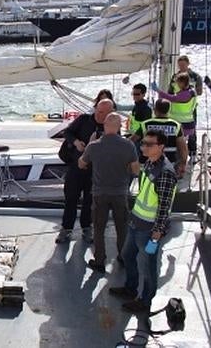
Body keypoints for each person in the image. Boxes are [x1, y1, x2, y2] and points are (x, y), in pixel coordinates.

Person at [109, 129, 178, 313]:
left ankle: (145, 301)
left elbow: (164, 206)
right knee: (127, 255)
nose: (144, 147)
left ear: (161, 147)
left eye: (149, 144)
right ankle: (130, 288)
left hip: (149, 230)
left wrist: (157, 231)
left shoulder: (165, 173)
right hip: (136, 223)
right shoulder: (149, 163)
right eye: (143, 143)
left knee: (148, 266)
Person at [79, 111, 140, 273]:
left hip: (100, 193)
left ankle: (99, 260)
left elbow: (81, 164)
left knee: (99, 228)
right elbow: (136, 170)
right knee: (122, 227)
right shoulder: (128, 145)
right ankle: (123, 256)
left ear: (105, 126)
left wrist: (91, 144)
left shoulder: (94, 146)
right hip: (120, 193)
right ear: (119, 127)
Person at [56, 94, 115, 244]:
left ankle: (86, 228)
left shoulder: (111, 126)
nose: (98, 114)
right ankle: (66, 229)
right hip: (76, 167)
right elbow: (67, 132)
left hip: (95, 171)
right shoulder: (84, 119)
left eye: (102, 113)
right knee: (70, 199)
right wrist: (76, 142)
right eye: (97, 110)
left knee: (89, 201)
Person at [131, 99, 188, 177]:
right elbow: (183, 148)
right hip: (169, 162)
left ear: (155, 110)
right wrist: (183, 163)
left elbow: (132, 141)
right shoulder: (176, 125)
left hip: (148, 162)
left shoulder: (146, 124)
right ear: (169, 110)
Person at [152, 72, 198, 164]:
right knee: (180, 144)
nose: (177, 84)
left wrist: (158, 91)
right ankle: (180, 161)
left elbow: (172, 98)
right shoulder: (191, 91)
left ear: (182, 82)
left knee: (180, 145)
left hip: (183, 123)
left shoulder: (186, 94)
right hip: (188, 121)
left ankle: (179, 163)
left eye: (178, 82)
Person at [167, 55, 203, 162]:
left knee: (192, 132)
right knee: (175, 131)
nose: (181, 67)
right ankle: (175, 153)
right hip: (176, 109)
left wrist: (187, 93)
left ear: (188, 64)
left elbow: (199, 92)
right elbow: (170, 91)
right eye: (179, 65)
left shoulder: (195, 77)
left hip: (189, 109)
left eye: (183, 65)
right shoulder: (175, 76)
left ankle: (192, 154)